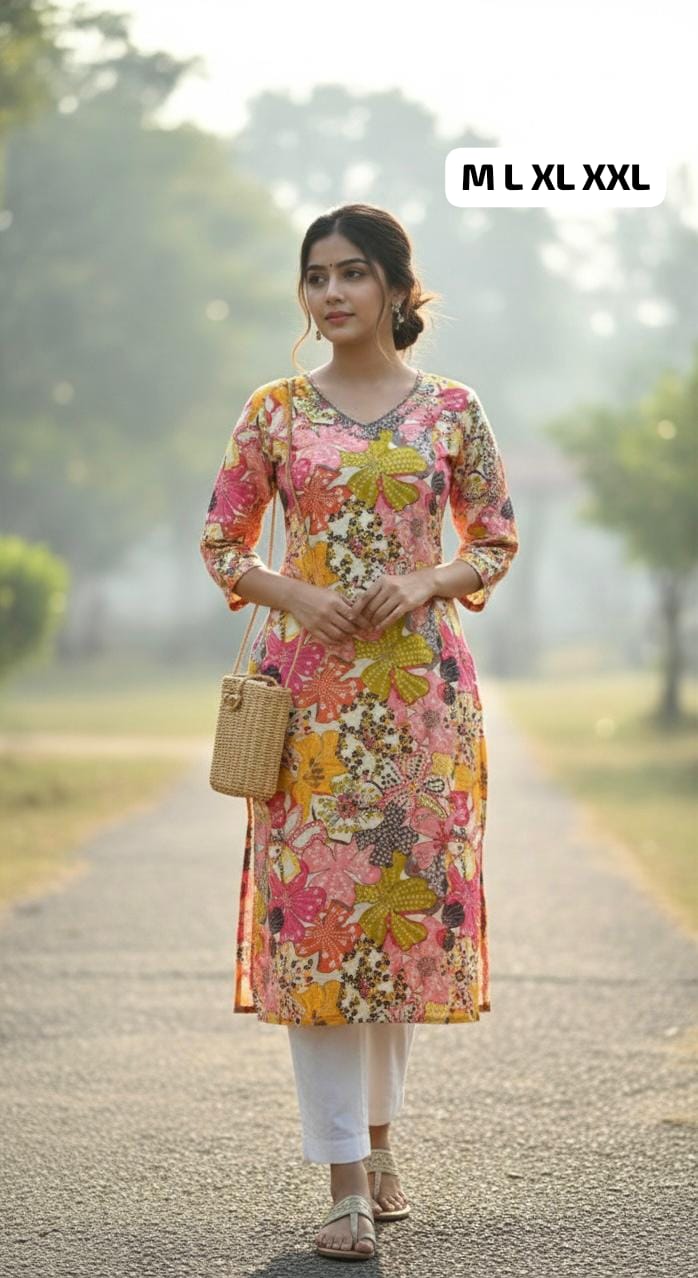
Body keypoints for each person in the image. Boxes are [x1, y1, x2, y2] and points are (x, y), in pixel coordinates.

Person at [200, 202, 520, 1261]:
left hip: (420, 703)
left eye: (350, 274)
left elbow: (495, 537)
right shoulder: (275, 412)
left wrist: (426, 577)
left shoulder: (452, 411)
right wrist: (292, 595)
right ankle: (340, 1179)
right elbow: (220, 539)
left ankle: (377, 1143)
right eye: (314, 276)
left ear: (393, 285)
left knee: (392, 933)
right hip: (308, 714)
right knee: (319, 934)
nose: (329, 294)